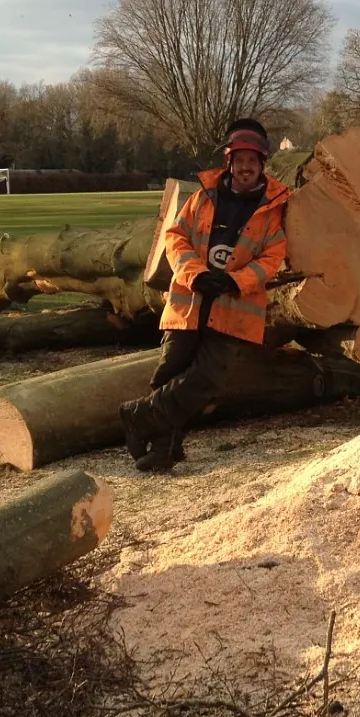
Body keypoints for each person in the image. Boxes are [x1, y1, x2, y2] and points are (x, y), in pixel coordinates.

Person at [119, 118, 289, 472]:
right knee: (170, 371)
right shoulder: (201, 197)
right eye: (240, 160)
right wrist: (194, 275)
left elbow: (273, 258)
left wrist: (236, 281)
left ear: (262, 165)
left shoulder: (273, 208)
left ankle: (138, 417)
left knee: (208, 378)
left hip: (234, 306)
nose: (246, 168)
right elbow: (175, 237)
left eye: (252, 162)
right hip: (189, 300)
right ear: (229, 162)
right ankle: (165, 449)